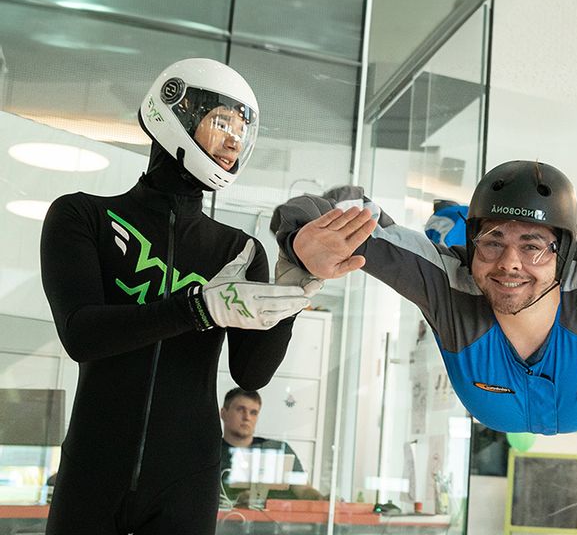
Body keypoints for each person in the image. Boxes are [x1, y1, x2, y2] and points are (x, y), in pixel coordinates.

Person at [39, 58, 370, 535]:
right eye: (221, 122)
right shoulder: (83, 216)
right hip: (93, 469)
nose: (234, 140)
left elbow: (250, 372)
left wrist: (294, 290)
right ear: (172, 108)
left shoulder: (238, 251)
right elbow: (81, 335)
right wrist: (197, 307)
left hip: (187, 477)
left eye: (242, 130)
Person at [272, 159, 577, 435]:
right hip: (500, 408)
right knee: (390, 234)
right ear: (472, 245)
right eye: (492, 242)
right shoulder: (449, 282)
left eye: (533, 247)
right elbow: (323, 210)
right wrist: (302, 240)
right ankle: (449, 226)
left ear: (562, 253)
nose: (509, 263)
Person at [219, 388, 322, 504]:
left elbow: (303, 490)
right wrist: (236, 501)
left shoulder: (279, 450)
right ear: (223, 414)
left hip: (278, 521)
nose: (247, 417)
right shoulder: (209, 454)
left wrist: (322, 499)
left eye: (253, 413)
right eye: (240, 410)